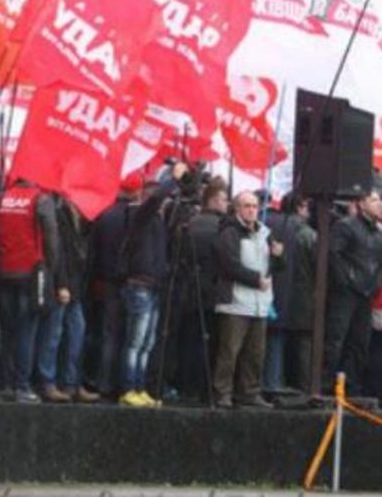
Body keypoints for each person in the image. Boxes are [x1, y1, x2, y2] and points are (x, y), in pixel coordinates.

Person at [117, 164, 185, 408]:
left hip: (154, 286)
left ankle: (140, 387)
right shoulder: (140, 215)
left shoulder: (157, 220)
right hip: (140, 285)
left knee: (147, 343)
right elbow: (157, 198)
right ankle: (128, 387)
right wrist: (173, 178)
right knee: (135, 342)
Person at [213, 191, 285, 409]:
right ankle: (222, 393)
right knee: (229, 352)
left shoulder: (265, 233)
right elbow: (230, 264)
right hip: (235, 302)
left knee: (255, 354)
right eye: (247, 205)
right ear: (237, 208)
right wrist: (256, 280)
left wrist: (279, 255)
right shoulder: (228, 233)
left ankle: (250, 393)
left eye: (254, 205)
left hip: (260, 304)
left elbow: (278, 268)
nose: (252, 209)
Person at [0, 179, 60, 404]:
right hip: (30, 273)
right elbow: (51, 237)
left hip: (5, 270)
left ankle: (4, 384)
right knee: (27, 331)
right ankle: (22, 386)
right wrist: (51, 268)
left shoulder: (4, 196)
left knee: (7, 330)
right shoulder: (41, 198)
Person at [37, 196, 99, 403]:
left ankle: (71, 383)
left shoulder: (81, 219)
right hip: (63, 285)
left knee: (76, 334)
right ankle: (48, 382)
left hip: (75, 286)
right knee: (54, 335)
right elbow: (58, 254)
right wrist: (61, 284)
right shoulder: (59, 214)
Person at [173, 178, 227, 402]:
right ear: (214, 200)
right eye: (224, 199)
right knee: (212, 342)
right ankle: (205, 388)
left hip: (189, 290)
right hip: (213, 290)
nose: (227, 204)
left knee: (189, 340)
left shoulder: (189, 224)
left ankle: (187, 387)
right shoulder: (223, 227)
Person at [323, 189, 382, 394]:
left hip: (367, 293)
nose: (379, 204)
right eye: (374, 200)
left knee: (360, 342)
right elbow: (333, 255)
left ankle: (350, 385)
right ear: (361, 203)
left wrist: (374, 285)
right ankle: (327, 384)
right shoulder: (346, 226)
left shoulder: (378, 233)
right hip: (346, 293)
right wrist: (346, 281)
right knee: (336, 338)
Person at [91, 174, 141, 398]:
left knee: (109, 335)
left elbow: (95, 249)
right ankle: (125, 385)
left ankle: (104, 383)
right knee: (131, 338)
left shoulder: (106, 215)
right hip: (131, 281)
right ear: (137, 192)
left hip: (107, 282)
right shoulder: (138, 217)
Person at [264, 193, 316, 393]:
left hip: (272, 290)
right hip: (302, 295)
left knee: (273, 339)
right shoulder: (308, 234)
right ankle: (302, 387)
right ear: (301, 207)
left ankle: (271, 383)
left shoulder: (268, 225)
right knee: (302, 342)